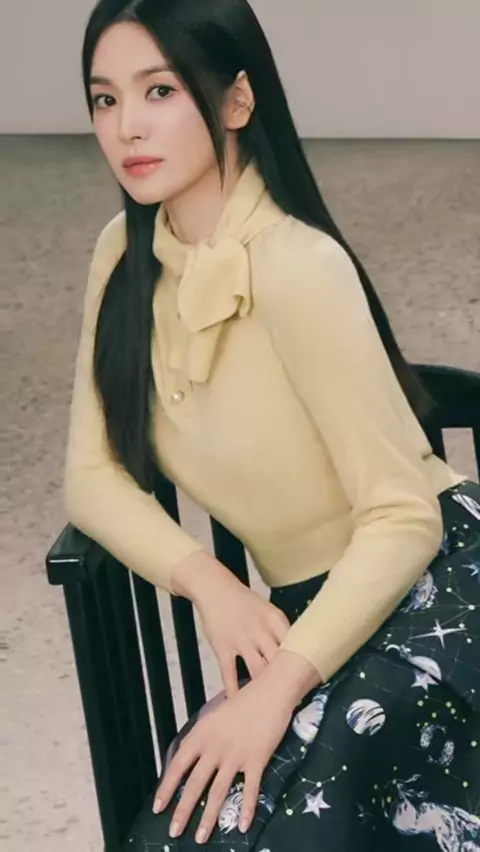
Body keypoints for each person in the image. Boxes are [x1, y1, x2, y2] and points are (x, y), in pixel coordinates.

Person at [65, 0, 480, 848]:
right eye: (106, 98)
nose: (126, 126)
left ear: (236, 100)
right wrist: (210, 583)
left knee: (281, 827)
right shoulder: (123, 254)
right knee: (193, 828)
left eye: (160, 91)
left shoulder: (298, 266)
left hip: (432, 589)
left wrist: (277, 689)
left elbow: (405, 517)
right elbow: (91, 476)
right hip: (308, 612)